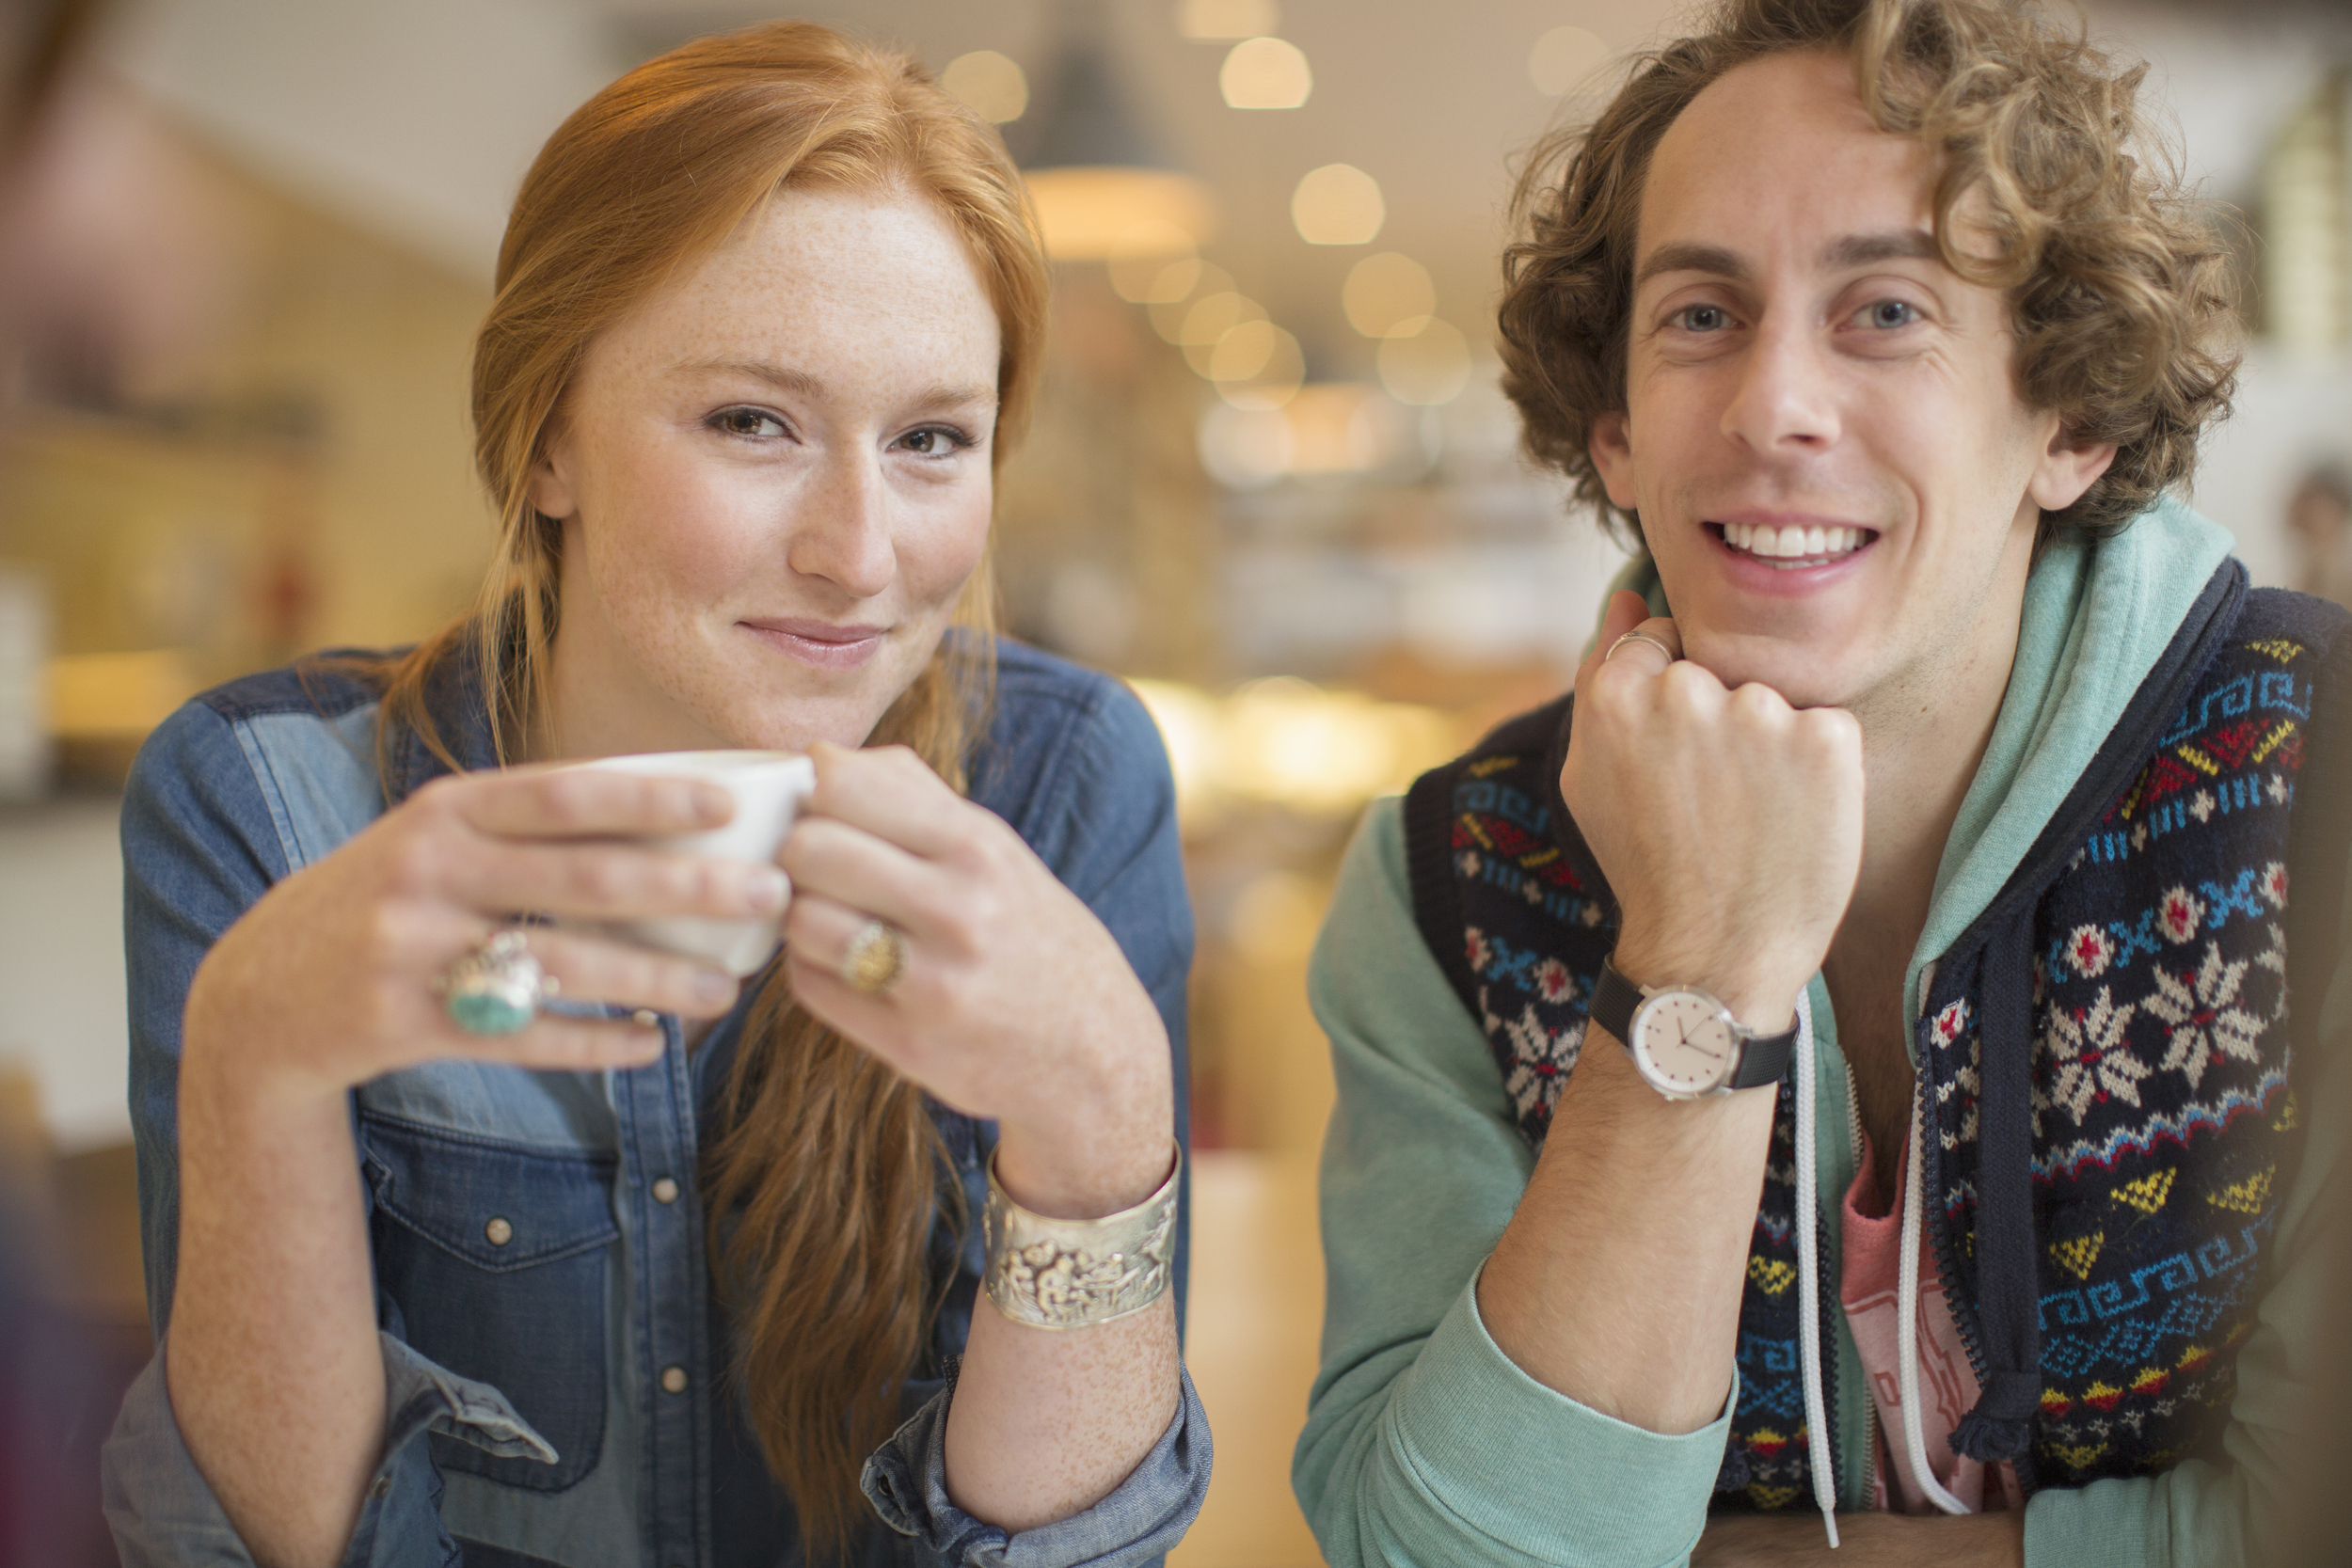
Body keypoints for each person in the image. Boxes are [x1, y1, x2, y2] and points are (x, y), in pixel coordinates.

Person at [100, 24, 1207, 1568]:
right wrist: (252, 1064)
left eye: (933, 440)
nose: (861, 552)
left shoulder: (1065, 786)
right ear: (547, 436)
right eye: (753, 420)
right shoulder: (270, 807)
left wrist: (1108, 1117)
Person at [1294, 1, 2351, 1564]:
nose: (1772, 406)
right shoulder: (1450, 878)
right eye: (1701, 316)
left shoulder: (2312, 782)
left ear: (2068, 416)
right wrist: (1699, 969)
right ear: (1618, 438)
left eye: (1889, 311)